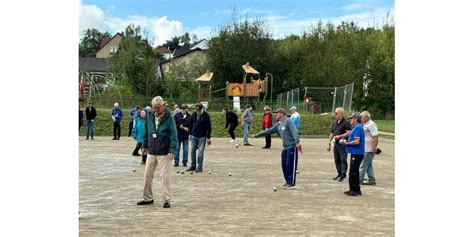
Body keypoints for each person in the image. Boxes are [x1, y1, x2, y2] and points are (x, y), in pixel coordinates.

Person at [137, 96, 178, 208]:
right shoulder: (149, 116)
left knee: (165, 177)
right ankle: (148, 198)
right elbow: (146, 132)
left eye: (158, 107)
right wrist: (144, 146)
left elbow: (174, 135)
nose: (156, 110)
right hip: (152, 150)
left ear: (162, 105)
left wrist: (172, 151)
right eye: (154, 107)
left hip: (164, 152)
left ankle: (166, 200)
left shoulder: (169, 118)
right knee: (147, 175)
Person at [253, 108, 301, 189]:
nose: (275, 115)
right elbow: (268, 131)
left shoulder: (288, 121)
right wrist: (257, 135)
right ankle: (287, 182)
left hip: (292, 146)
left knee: (290, 165)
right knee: (284, 165)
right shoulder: (278, 125)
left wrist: (297, 142)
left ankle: (292, 183)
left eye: (277, 113)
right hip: (285, 148)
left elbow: (294, 131)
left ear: (282, 114)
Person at [340, 112, 365, 196]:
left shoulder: (358, 127)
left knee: (353, 172)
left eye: (352, 118)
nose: (350, 120)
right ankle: (356, 189)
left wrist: (346, 143)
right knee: (355, 171)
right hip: (357, 152)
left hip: (356, 152)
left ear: (356, 119)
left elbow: (357, 141)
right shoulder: (357, 127)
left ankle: (353, 190)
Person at [327, 107, 352, 182]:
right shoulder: (335, 123)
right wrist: (329, 144)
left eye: (336, 113)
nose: (335, 115)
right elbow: (332, 133)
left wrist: (340, 136)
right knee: (337, 159)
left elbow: (348, 133)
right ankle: (339, 173)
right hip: (336, 144)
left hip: (343, 144)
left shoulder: (346, 123)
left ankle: (343, 175)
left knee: (343, 159)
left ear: (341, 114)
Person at [186, 103, 212, 173]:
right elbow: (191, 124)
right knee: (192, 151)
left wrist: (208, 137)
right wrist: (190, 134)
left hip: (202, 137)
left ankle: (199, 167)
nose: (198, 111)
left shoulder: (206, 115)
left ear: (202, 109)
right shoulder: (194, 114)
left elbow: (209, 127)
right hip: (194, 135)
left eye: (199, 110)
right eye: (197, 109)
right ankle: (193, 166)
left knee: (200, 152)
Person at [359, 111, 379, 185]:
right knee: (368, 164)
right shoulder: (365, 124)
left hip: (369, 148)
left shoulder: (371, 124)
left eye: (362, 117)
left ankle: (359, 180)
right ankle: (371, 179)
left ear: (366, 117)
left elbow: (375, 137)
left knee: (363, 164)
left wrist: (374, 149)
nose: (360, 118)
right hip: (365, 148)